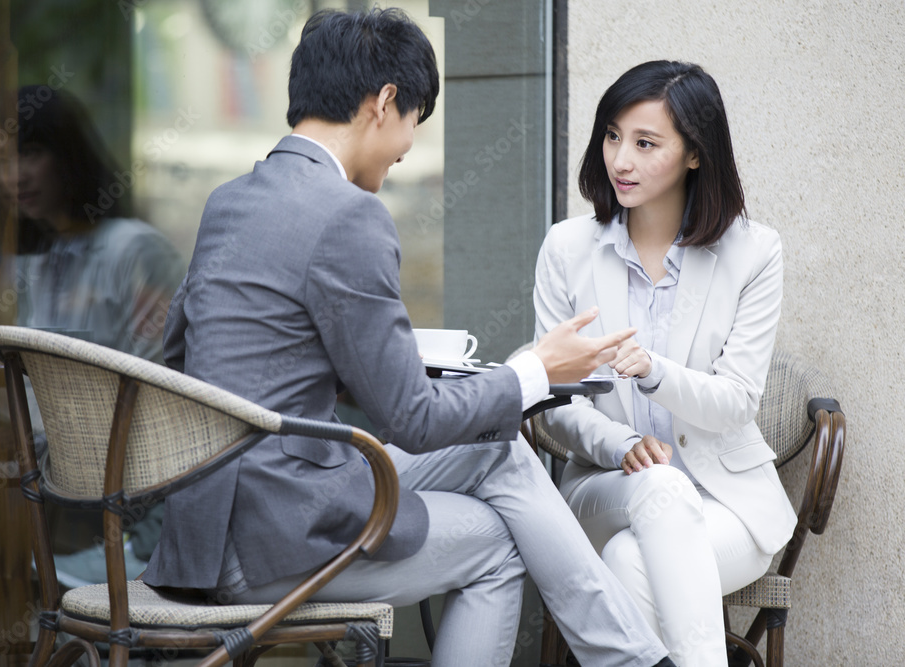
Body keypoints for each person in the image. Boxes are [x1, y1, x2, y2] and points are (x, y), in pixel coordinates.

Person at [144, 8, 674, 667]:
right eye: (414, 122)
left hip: (204, 531)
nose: (408, 147)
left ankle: (637, 661)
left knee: (502, 451)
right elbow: (412, 419)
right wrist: (536, 371)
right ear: (385, 101)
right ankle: (637, 661)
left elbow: (178, 360)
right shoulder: (349, 216)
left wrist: (325, 361)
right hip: (274, 539)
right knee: (500, 541)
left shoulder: (230, 200)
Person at [533, 60, 798, 666]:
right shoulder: (566, 249)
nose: (620, 159)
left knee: (630, 560)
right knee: (657, 492)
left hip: (726, 500)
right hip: (604, 489)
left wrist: (652, 370)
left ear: (695, 155)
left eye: (645, 143)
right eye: (612, 136)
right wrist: (618, 441)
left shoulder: (754, 252)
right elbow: (554, 400)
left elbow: (736, 401)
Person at [14, 84, 185, 577]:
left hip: (130, 479)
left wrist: (21, 436)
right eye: (3, 159)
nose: (14, 174)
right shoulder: (41, 261)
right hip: (58, 467)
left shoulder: (132, 249)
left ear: (67, 155)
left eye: (31, 152)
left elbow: (155, 387)